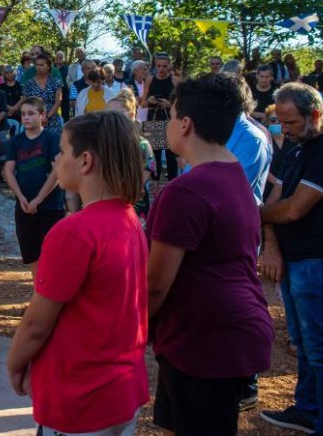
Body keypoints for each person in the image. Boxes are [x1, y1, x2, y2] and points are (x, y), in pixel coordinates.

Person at [6, 111, 149, 436]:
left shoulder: (73, 232)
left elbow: (36, 324)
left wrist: (15, 363)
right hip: (121, 390)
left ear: (85, 161)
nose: (56, 159)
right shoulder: (129, 219)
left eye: (62, 151)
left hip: (80, 398)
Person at [146, 73, 273, 435]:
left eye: (170, 117)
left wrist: (128, 329)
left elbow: (156, 285)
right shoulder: (232, 173)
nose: (168, 125)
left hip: (204, 338)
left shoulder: (188, 190)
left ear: (185, 124)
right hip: (213, 328)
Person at [259, 82, 323, 435]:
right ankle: (309, 410)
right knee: (304, 344)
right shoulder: (294, 148)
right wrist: (272, 241)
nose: (285, 129)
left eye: (290, 122)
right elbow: (274, 197)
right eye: (281, 122)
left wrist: (263, 214)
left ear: (316, 114)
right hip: (296, 262)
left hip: (321, 262)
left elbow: (291, 209)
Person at [2, 97, 65, 271]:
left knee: (52, 257)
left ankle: (51, 296)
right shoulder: (16, 141)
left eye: (31, 113)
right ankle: (38, 293)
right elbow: (8, 171)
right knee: (32, 257)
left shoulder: (52, 138)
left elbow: (57, 172)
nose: (26, 118)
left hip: (51, 206)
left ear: (42, 115)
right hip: (24, 206)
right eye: (23, 114)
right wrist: (20, 197)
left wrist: (38, 199)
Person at [107, 89, 154, 221]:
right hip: (109, 199)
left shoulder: (142, 144)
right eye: (107, 113)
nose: (109, 118)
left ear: (131, 115)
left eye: (114, 114)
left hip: (133, 198)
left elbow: (148, 169)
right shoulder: (103, 143)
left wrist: (129, 188)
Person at [141, 52, 179, 181]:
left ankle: (173, 182)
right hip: (154, 118)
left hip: (170, 118)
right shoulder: (150, 80)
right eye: (159, 66)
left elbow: (182, 103)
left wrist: (170, 104)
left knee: (171, 154)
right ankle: (154, 183)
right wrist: (150, 100)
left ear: (169, 66)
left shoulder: (174, 80)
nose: (161, 69)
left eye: (164, 66)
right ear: (155, 66)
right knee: (154, 154)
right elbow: (143, 103)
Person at [22, 53, 64, 134]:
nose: (39, 67)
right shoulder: (28, 84)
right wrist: (37, 117)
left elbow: (58, 101)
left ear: (48, 66)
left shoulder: (56, 82)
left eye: (42, 65)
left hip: (52, 120)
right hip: (33, 120)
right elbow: (25, 102)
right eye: (37, 65)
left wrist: (47, 117)